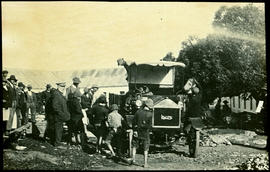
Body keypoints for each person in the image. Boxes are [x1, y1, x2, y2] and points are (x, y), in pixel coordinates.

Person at [132, 98, 153, 168]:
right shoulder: (150, 114)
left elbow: (133, 122)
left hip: (137, 132)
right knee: (145, 148)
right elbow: (149, 126)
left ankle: (133, 160)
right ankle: (145, 163)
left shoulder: (138, 112)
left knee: (134, 146)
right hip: (145, 133)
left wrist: (135, 130)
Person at [184, 86, 203, 157]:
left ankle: (191, 149)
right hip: (197, 116)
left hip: (190, 116)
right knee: (193, 132)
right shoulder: (200, 97)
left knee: (187, 130)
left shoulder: (191, 99)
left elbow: (188, 106)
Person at [51, 82, 71, 149]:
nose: (63, 88)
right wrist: (61, 114)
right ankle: (57, 143)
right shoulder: (56, 94)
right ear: (58, 86)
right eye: (62, 86)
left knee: (60, 129)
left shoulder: (60, 94)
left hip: (60, 115)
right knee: (58, 129)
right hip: (58, 116)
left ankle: (58, 142)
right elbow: (55, 106)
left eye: (64, 86)